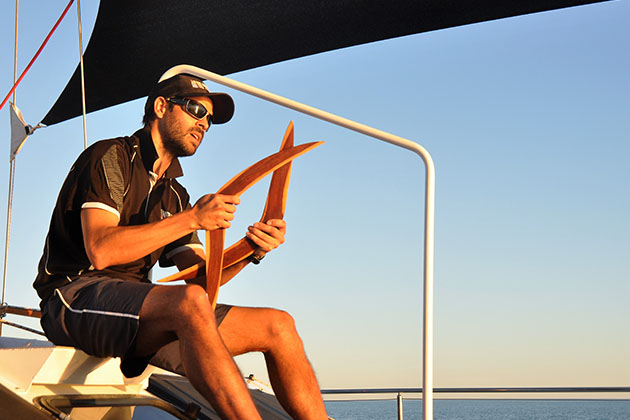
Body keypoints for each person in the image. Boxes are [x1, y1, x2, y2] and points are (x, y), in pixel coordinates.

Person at [33, 74, 328, 420]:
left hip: (144, 307)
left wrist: (253, 249)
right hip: (73, 297)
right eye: (194, 109)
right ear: (161, 107)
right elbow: (101, 249)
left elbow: (204, 282)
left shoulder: (175, 195)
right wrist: (192, 220)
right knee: (188, 303)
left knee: (279, 325)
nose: (203, 122)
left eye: (209, 118)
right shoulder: (111, 156)